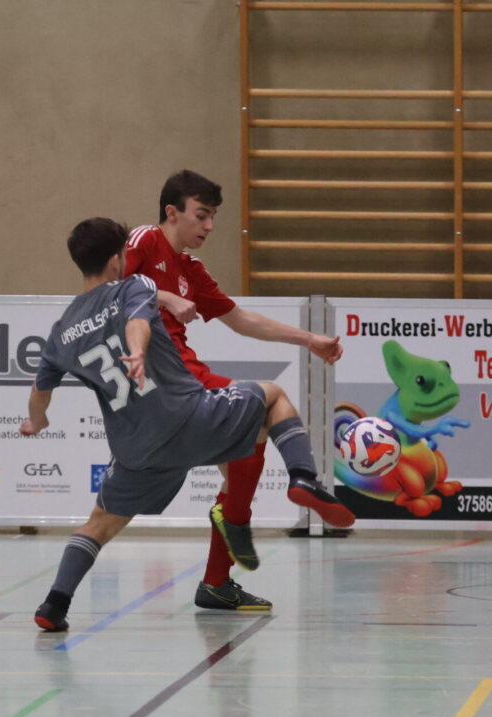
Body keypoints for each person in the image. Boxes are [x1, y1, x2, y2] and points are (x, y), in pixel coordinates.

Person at [20, 217, 353, 632]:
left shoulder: (61, 331)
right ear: (117, 260)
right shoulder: (135, 286)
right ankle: (303, 476)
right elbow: (137, 322)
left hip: (137, 450)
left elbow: (39, 391)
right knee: (272, 396)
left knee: (99, 524)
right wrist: (137, 352)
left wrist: (37, 421)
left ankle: (54, 604)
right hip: (187, 416)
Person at [124, 170, 343, 611]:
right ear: (172, 212)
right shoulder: (146, 240)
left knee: (248, 442)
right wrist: (165, 298)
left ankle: (216, 582)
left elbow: (241, 320)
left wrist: (309, 339)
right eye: (201, 215)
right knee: (270, 399)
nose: (209, 226)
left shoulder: (192, 270)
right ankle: (292, 485)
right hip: (167, 379)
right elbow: (111, 289)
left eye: (213, 219)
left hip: (186, 379)